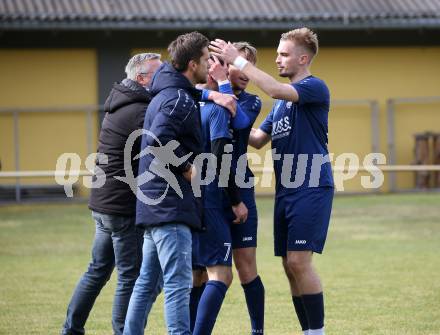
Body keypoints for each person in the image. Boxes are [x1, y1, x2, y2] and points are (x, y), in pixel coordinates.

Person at [211, 27, 334, 335]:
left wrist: (238, 61)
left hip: (311, 185)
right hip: (286, 192)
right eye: (278, 53)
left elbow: (276, 89)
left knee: (299, 262)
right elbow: (255, 139)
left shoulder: (314, 87)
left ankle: (316, 333)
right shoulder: (281, 106)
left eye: (284, 54)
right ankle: (308, 331)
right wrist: (219, 102)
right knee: (289, 265)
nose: (278, 59)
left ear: (303, 58)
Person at [61, 53, 162, 335]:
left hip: (104, 204)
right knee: (130, 276)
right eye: (159, 72)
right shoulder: (139, 111)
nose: (165, 77)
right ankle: (123, 331)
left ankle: (71, 329)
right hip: (121, 207)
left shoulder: (121, 103)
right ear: (142, 79)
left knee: (97, 270)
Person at [123, 31, 212, 335]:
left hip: (153, 204)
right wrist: (187, 168)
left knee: (147, 283)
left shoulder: (167, 93)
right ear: (191, 64)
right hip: (170, 206)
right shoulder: (178, 99)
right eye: (206, 59)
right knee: (178, 284)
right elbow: (159, 139)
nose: (210, 64)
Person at [190, 55, 249, 335]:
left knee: (196, 275)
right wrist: (236, 201)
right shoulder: (218, 109)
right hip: (210, 200)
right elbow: (221, 161)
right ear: (214, 71)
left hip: (185, 199)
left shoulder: (187, 102)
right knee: (221, 275)